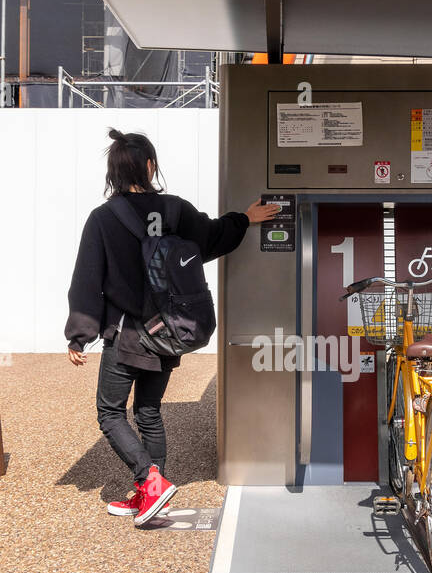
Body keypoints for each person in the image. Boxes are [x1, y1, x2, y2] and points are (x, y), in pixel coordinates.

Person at [66, 128, 280, 525]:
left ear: (114, 172)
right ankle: (151, 494)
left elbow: (87, 279)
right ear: (149, 166)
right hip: (167, 330)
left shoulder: (102, 220)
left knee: (110, 413)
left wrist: (79, 334)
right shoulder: (174, 209)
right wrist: (244, 219)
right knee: (148, 411)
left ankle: (150, 482)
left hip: (127, 334)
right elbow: (212, 238)